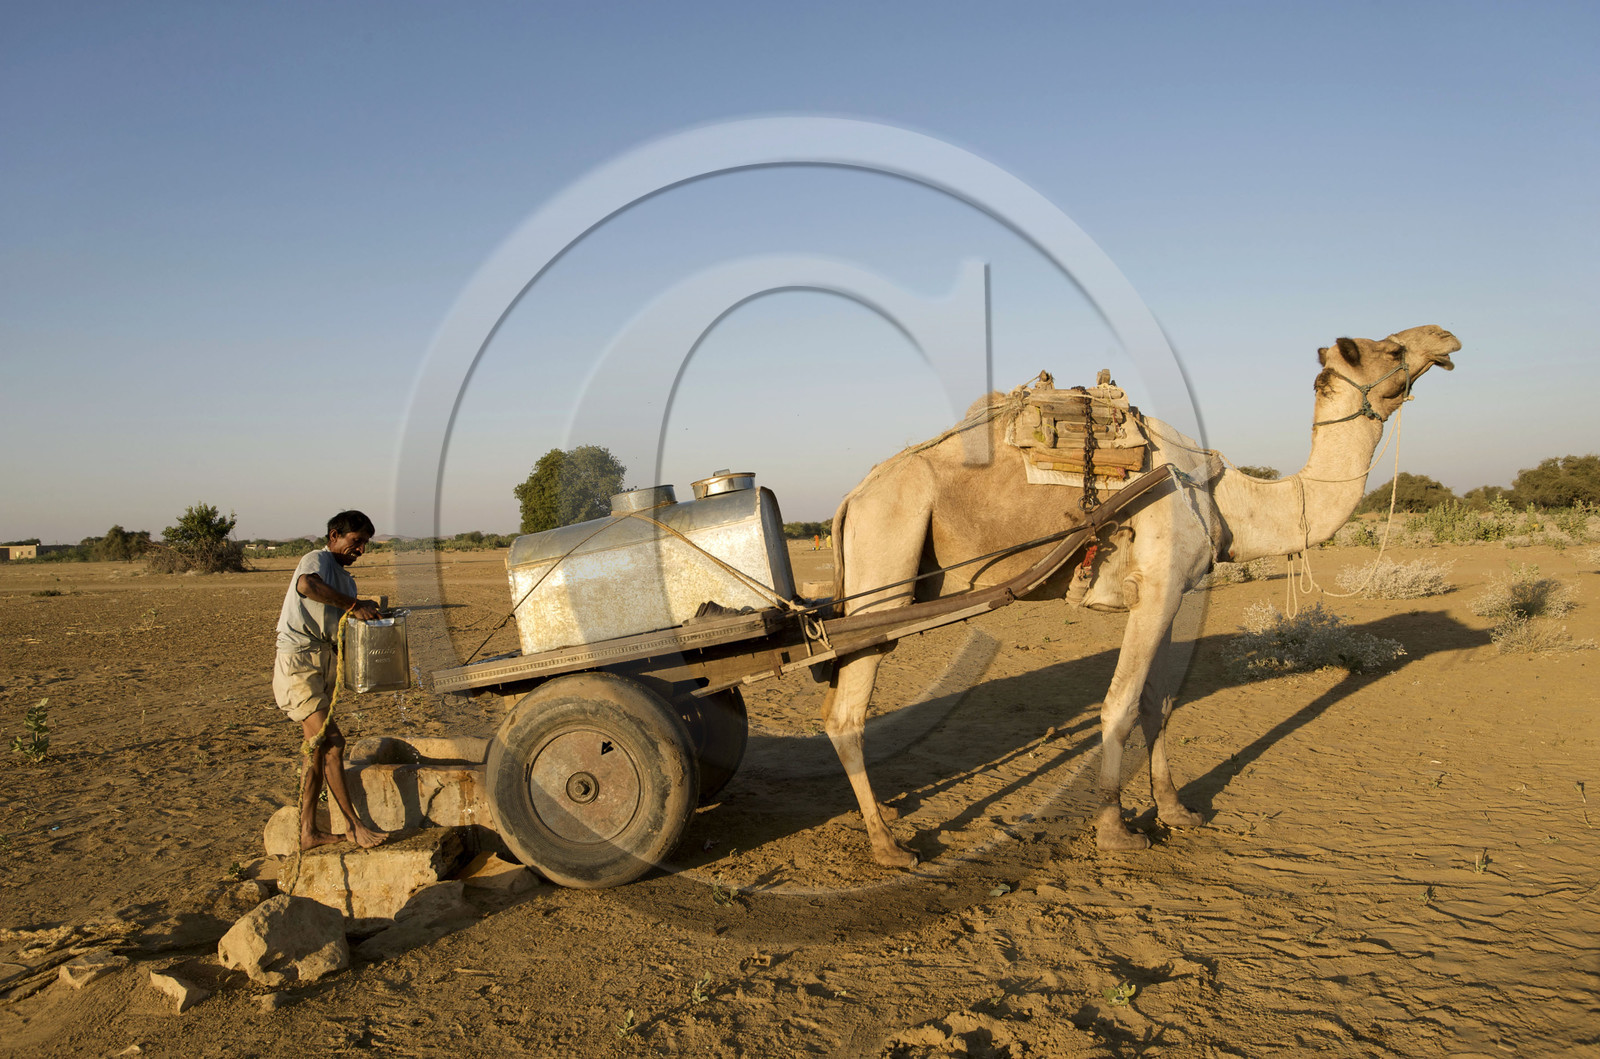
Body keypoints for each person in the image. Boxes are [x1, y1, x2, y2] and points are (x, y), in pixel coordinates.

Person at [273, 510, 392, 850]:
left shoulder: (345, 580)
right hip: (299, 662)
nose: (361, 550)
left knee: (316, 752)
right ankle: (353, 826)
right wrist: (354, 605)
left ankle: (308, 833)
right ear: (334, 535)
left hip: (321, 662)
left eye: (365, 544)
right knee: (333, 744)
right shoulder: (317, 560)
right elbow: (307, 586)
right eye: (357, 542)